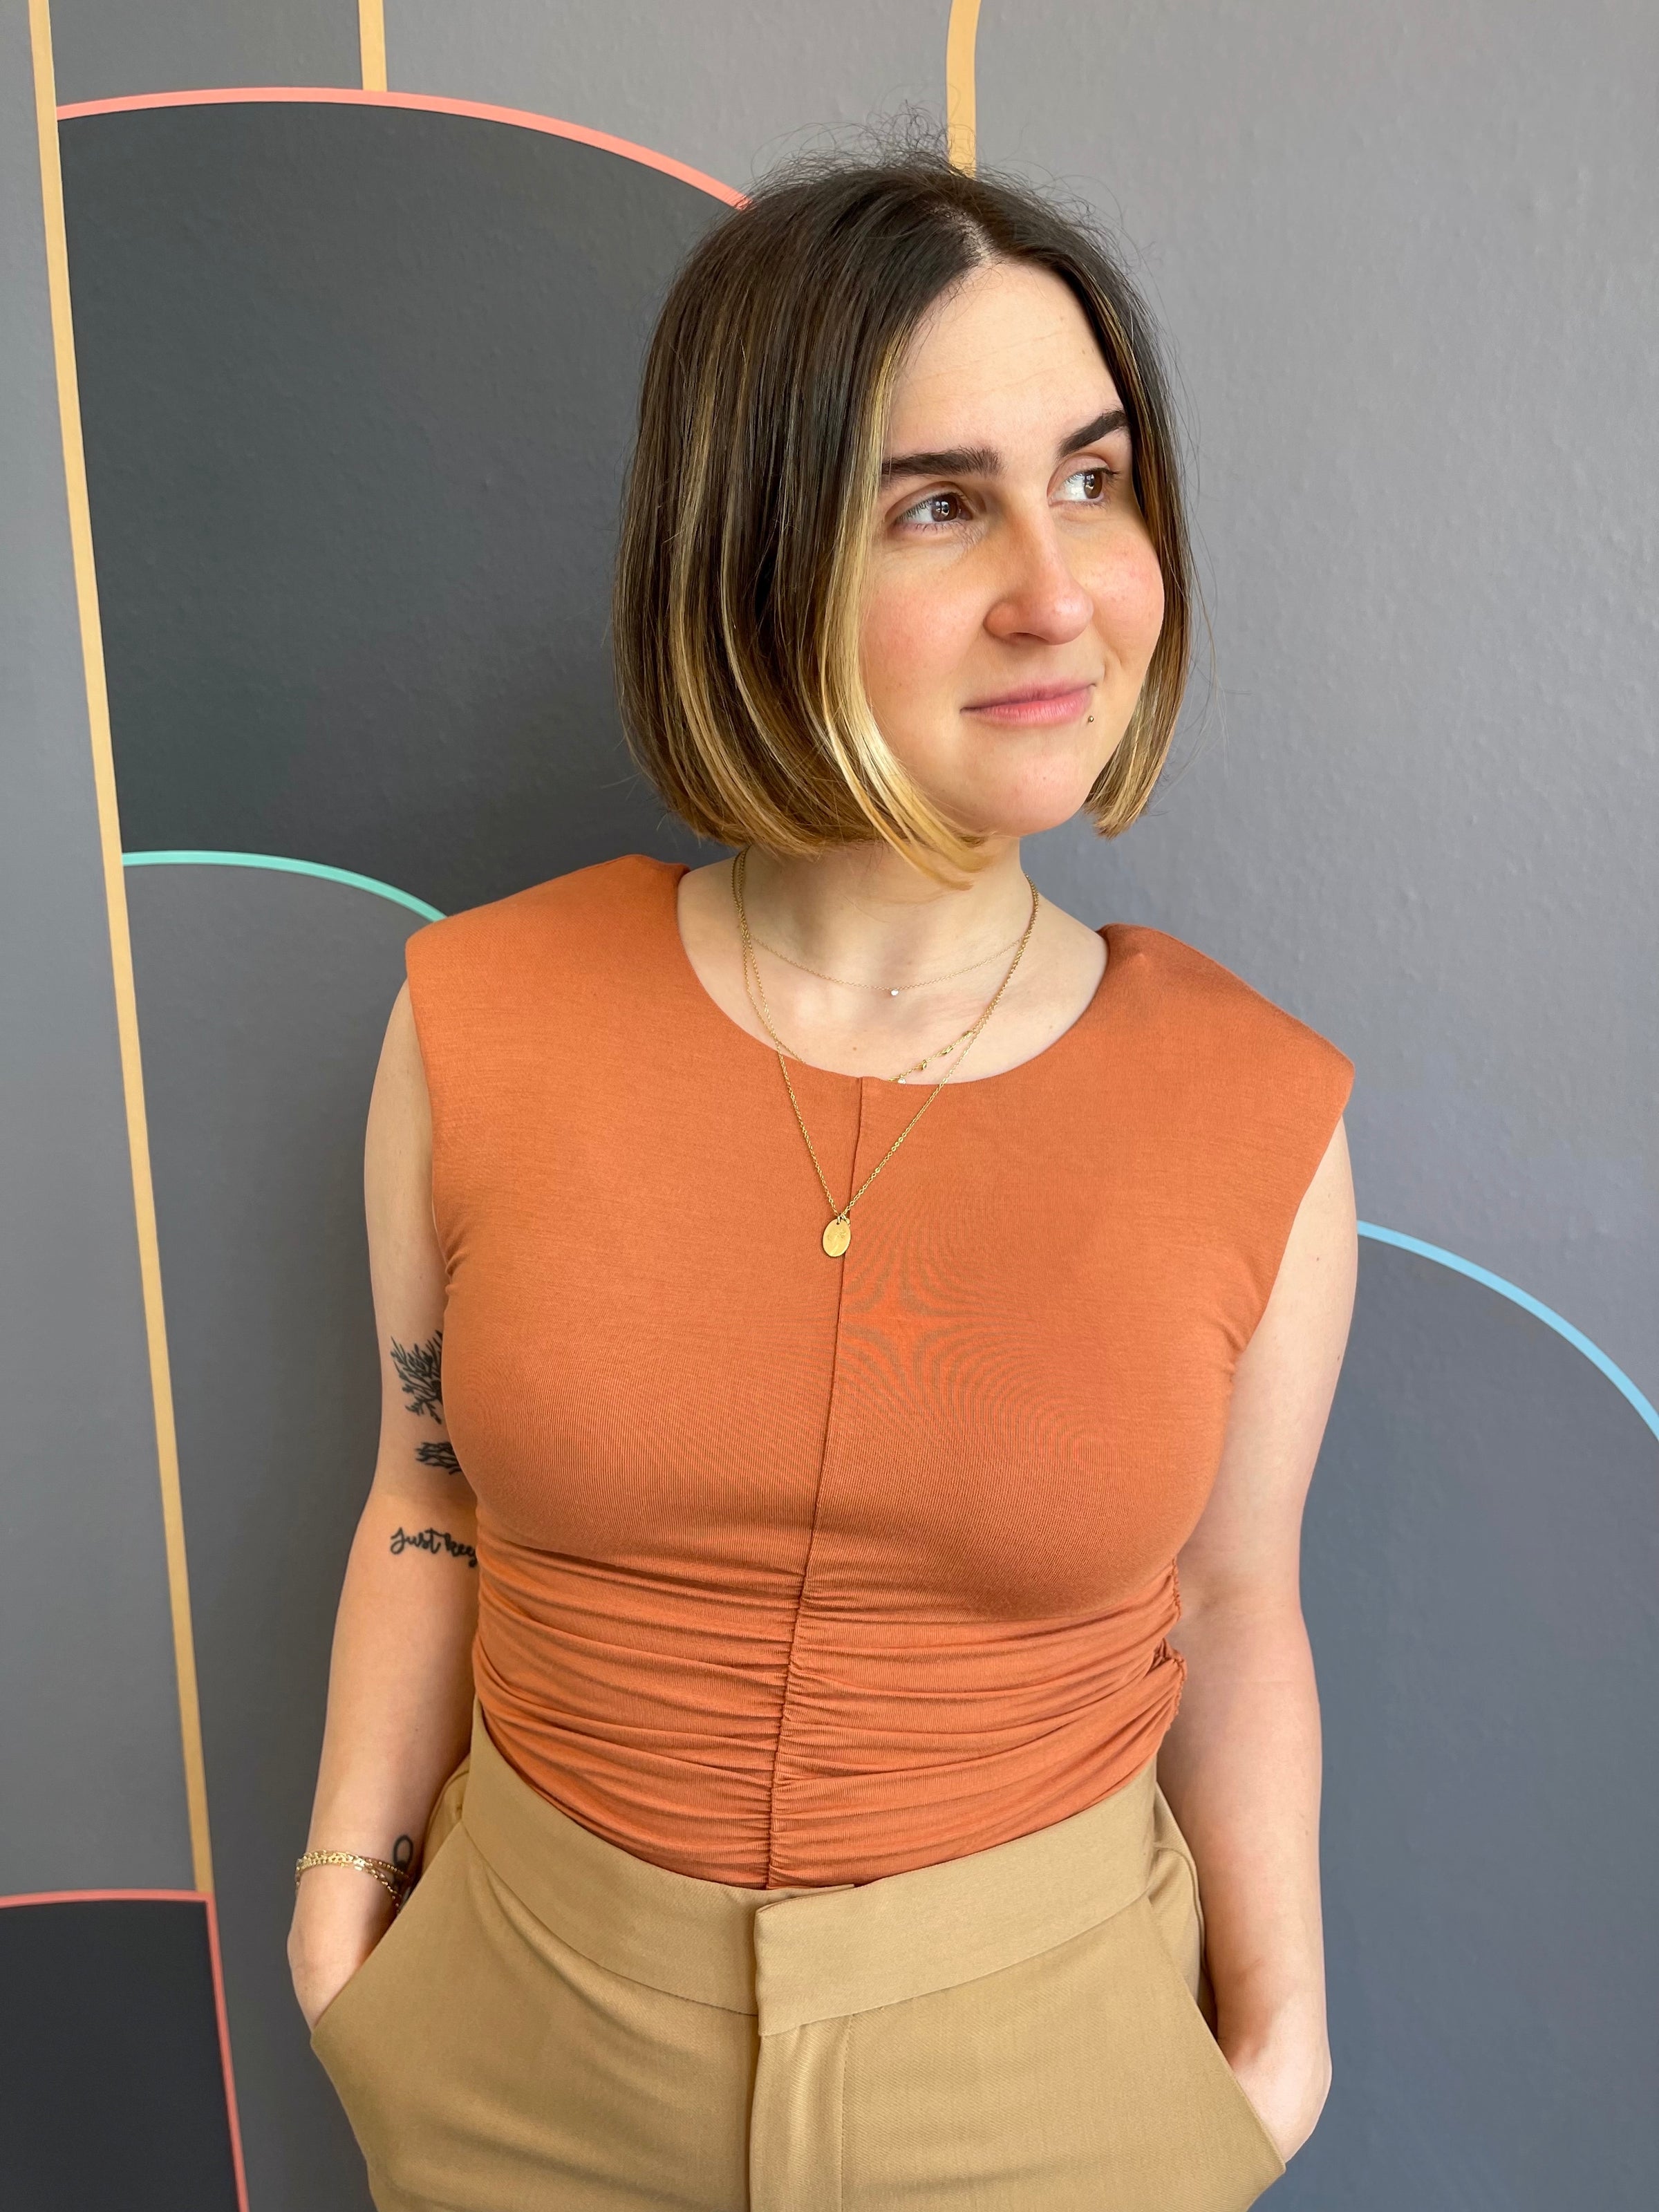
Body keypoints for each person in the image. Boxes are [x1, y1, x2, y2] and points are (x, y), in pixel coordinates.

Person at [288, 143, 1357, 2212]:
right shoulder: (481, 1015)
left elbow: (1237, 1602)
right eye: (939, 503)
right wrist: (347, 1908)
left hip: (1054, 2087)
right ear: (751, 556)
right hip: (518, 2052)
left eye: (1096, 479)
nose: (1061, 589)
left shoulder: (1256, 1105)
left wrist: (1279, 2040)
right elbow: (427, 1495)